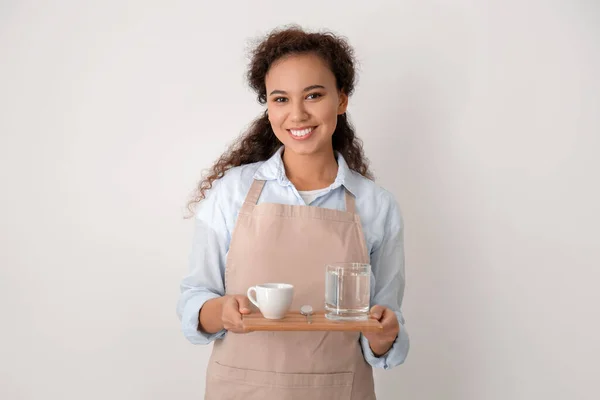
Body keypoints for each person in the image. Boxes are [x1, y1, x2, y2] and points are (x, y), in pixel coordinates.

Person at [177, 25, 409, 399]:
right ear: (268, 106)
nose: (297, 114)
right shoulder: (232, 191)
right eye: (280, 99)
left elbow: (381, 333)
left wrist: (385, 334)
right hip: (242, 389)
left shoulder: (376, 205)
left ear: (342, 100)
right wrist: (220, 311)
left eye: (314, 95)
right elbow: (194, 299)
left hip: (337, 390)